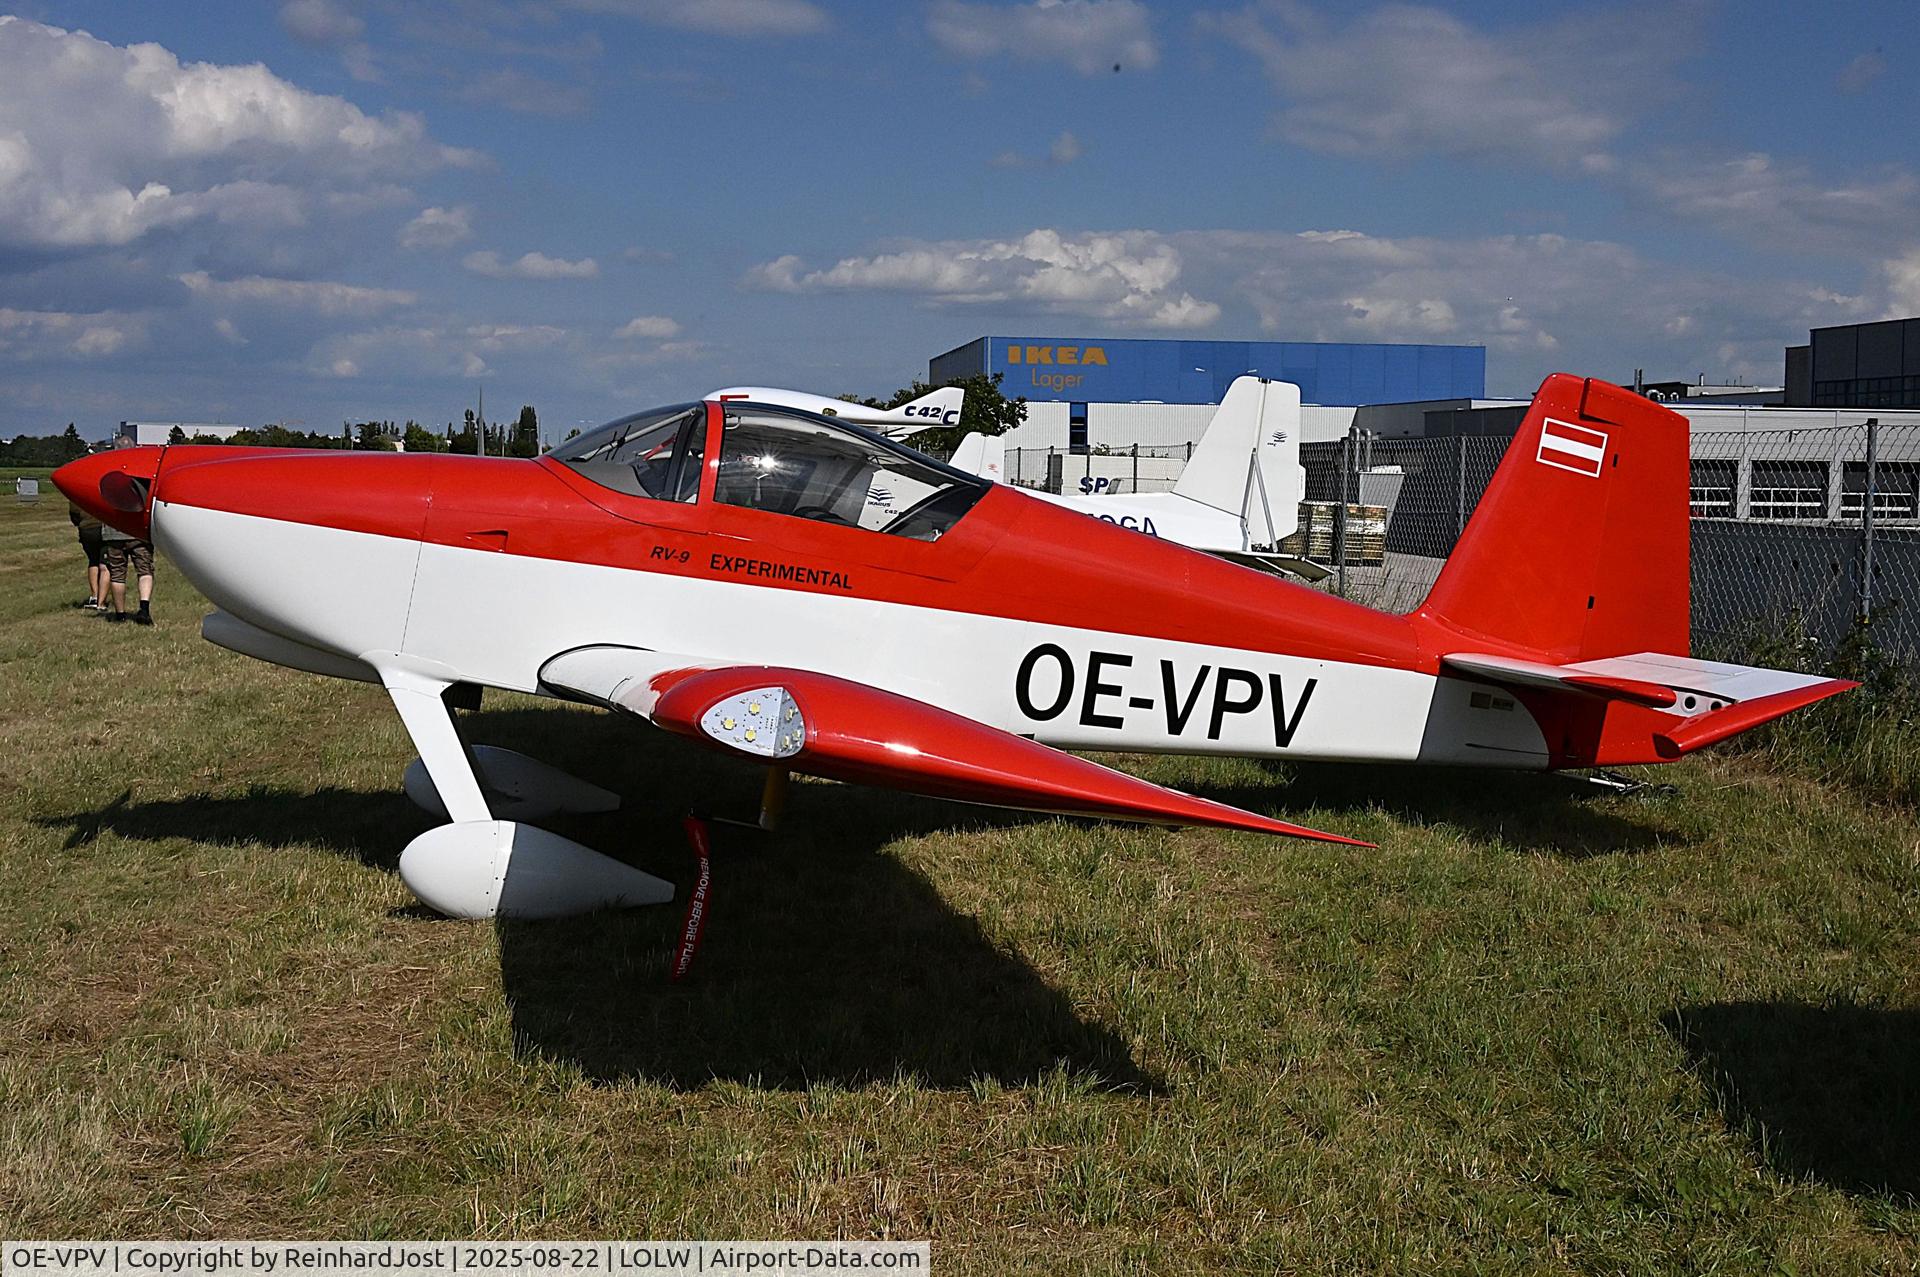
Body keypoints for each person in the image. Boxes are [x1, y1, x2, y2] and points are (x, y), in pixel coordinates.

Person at [100, 518, 155, 626]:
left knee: (117, 574)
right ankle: (144, 609)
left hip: (113, 532)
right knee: (145, 571)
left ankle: (120, 615)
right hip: (139, 532)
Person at [68, 501, 108, 610]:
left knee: (93, 560)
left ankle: (94, 596)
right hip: (103, 526)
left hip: (86, 529)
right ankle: (101, 601)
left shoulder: (77, 495)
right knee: (105, 565)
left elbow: (74, 513)